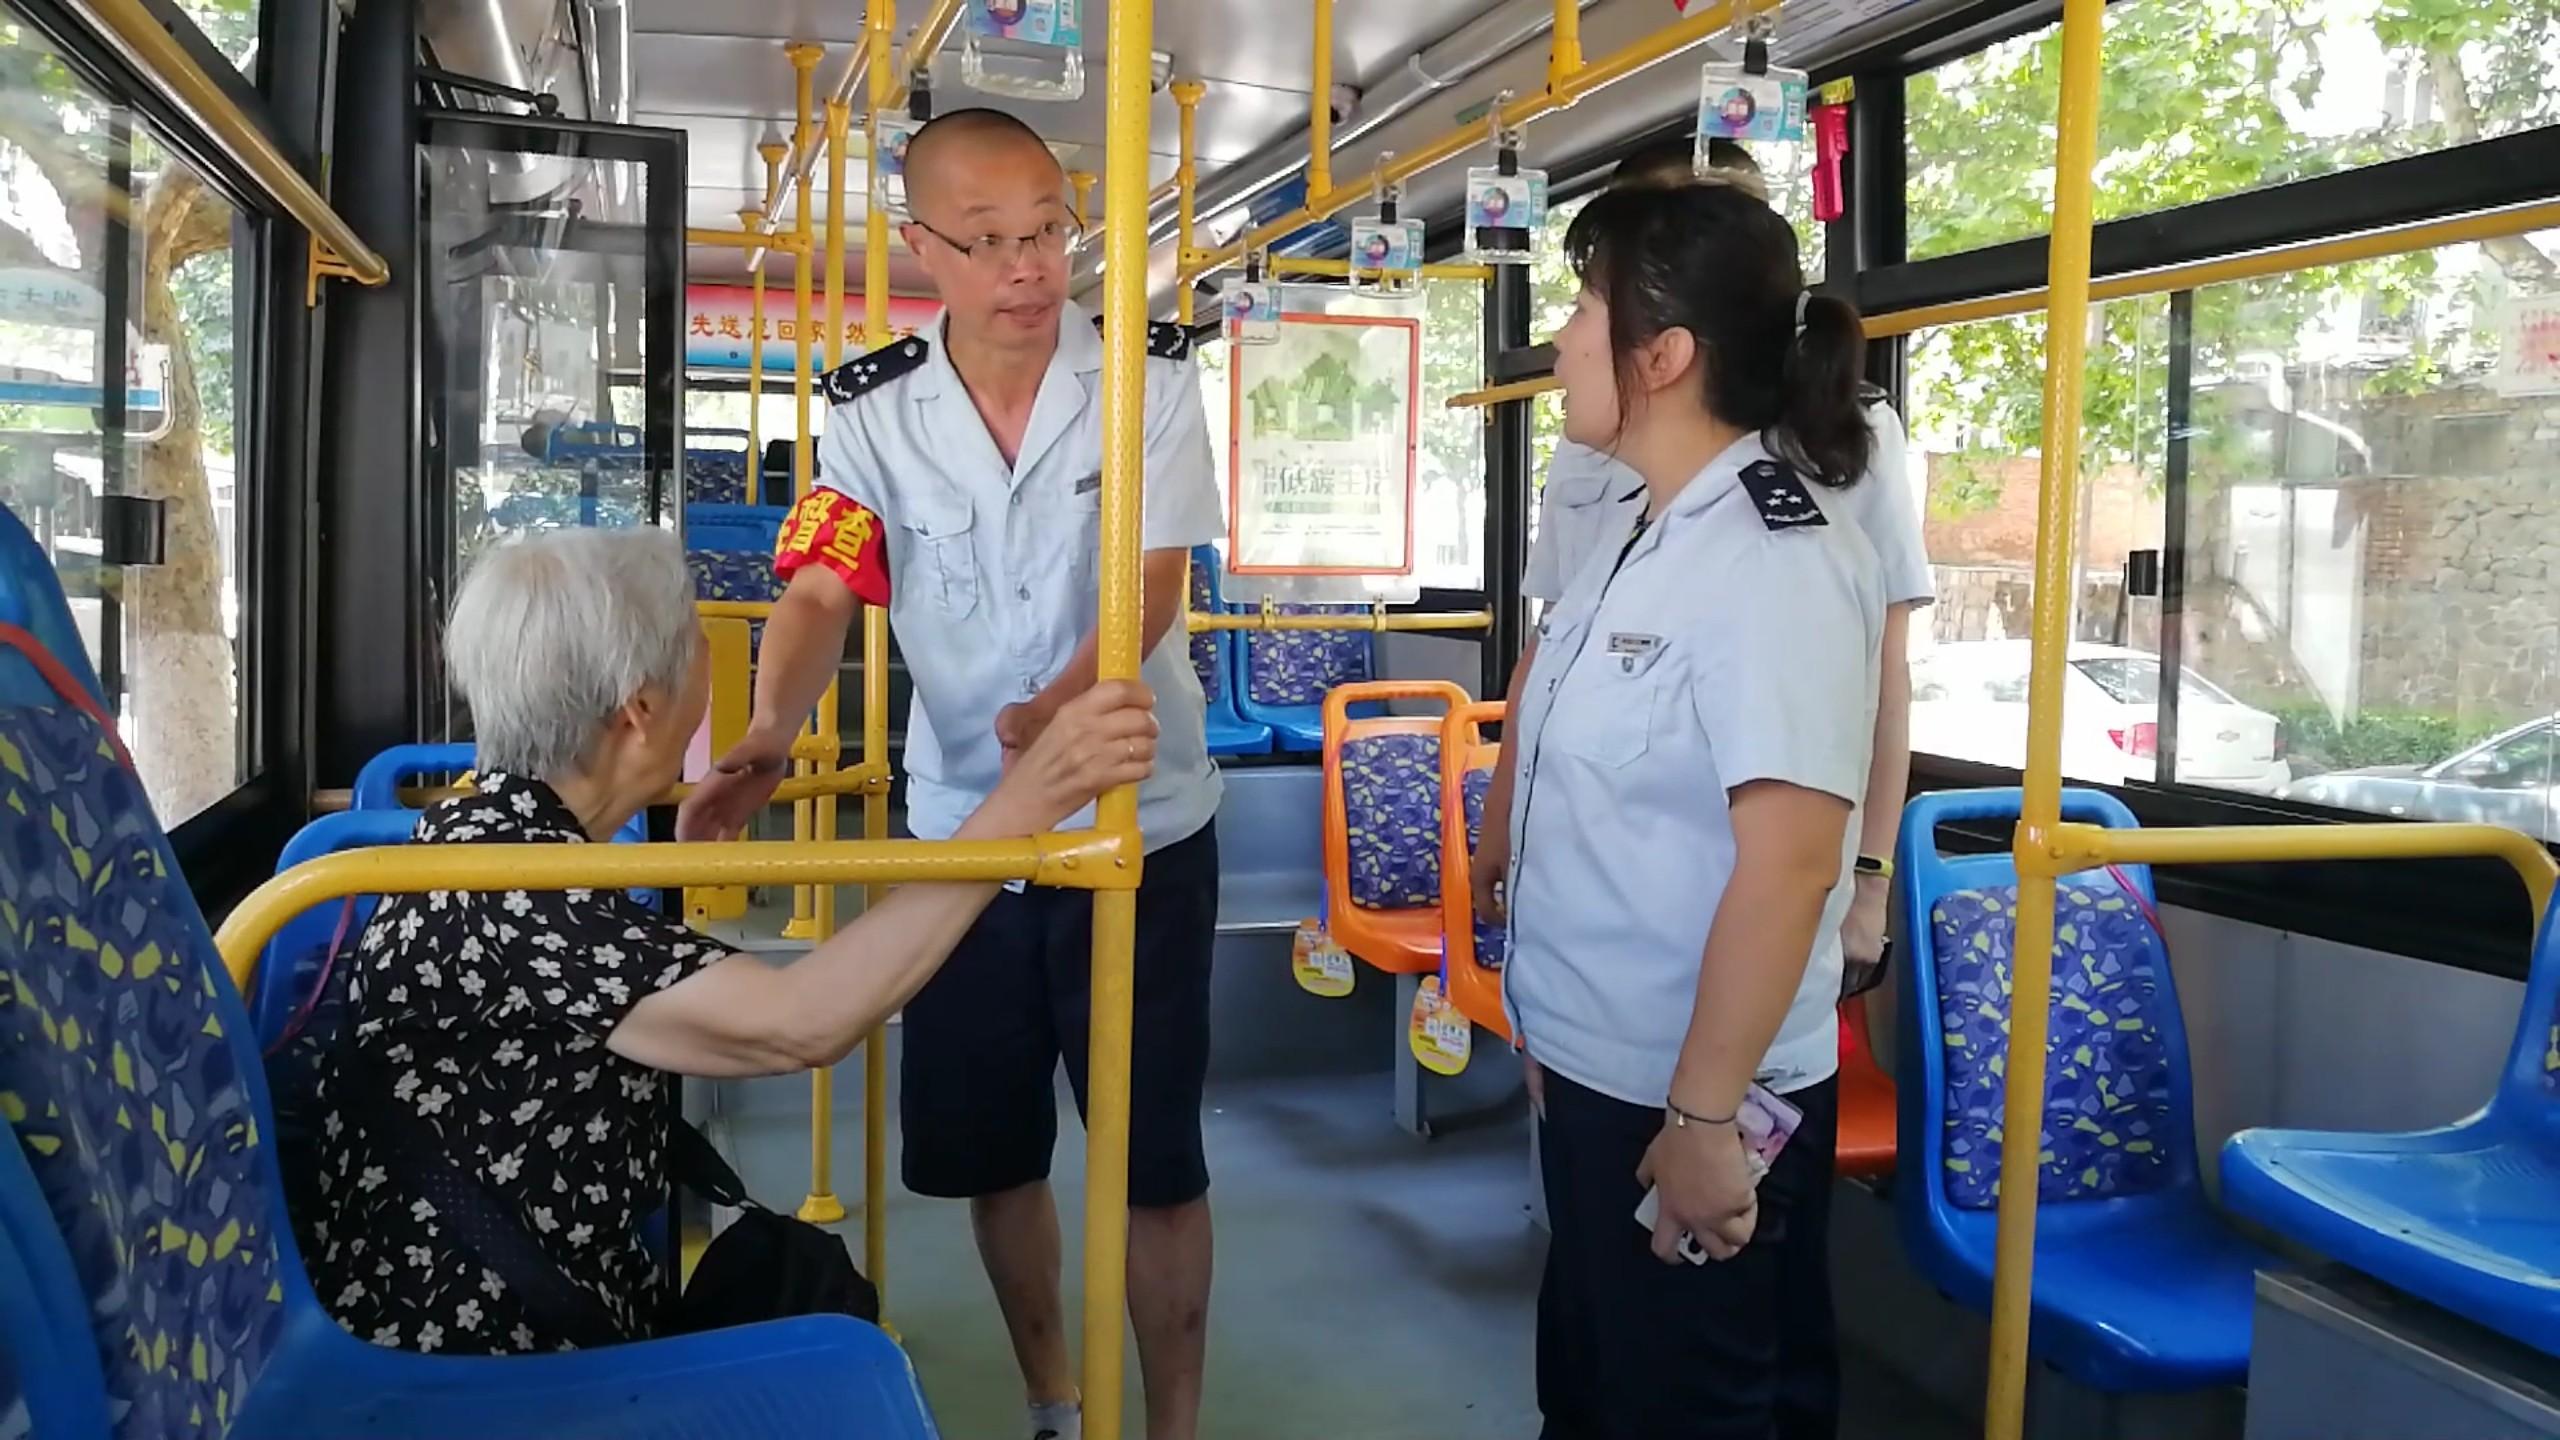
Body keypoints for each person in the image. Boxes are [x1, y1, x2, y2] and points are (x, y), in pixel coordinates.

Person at [674, 108, 1222, 1440]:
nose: (1028, 267)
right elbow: (818, 582)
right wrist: (772, 730)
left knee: (1155, 1166)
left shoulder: (1146, 375)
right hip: (960, 834)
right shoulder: (872, 408)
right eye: (988, 243)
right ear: (924, 249)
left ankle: (1173, 1426)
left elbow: (1152, 578)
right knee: (992, 1152)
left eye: (1048, 233)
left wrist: (1072, 698)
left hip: (1137, 823)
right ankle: (1050, 1398)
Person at [303, 528, 1159, 1357]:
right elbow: (800, 1021)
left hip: (505, 1293)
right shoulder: (523, 893)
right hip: (485, 1344)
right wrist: (1027, 804)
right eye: (695, 649)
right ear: (640, 707)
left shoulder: (485, 831)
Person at [1505, 182, 1885, 1438]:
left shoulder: (1774, 558)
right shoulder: (1645, 529)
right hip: (1605, 1068)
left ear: (1659, 357)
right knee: (1600, 1396)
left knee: (1699, 1410)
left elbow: (1786, 868)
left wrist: (1705, 1119)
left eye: (1582, 311)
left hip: (1692, 1093)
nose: (1559, 342)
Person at [1476, 135, 1930, 1001]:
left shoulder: (1833, 463)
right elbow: (1553, 649)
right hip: (1600, 954)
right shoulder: (1600, 462)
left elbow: (1881, 676)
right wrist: (1506, 825)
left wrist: (1867, 877)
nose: (1564, 346)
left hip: (1714, 937)